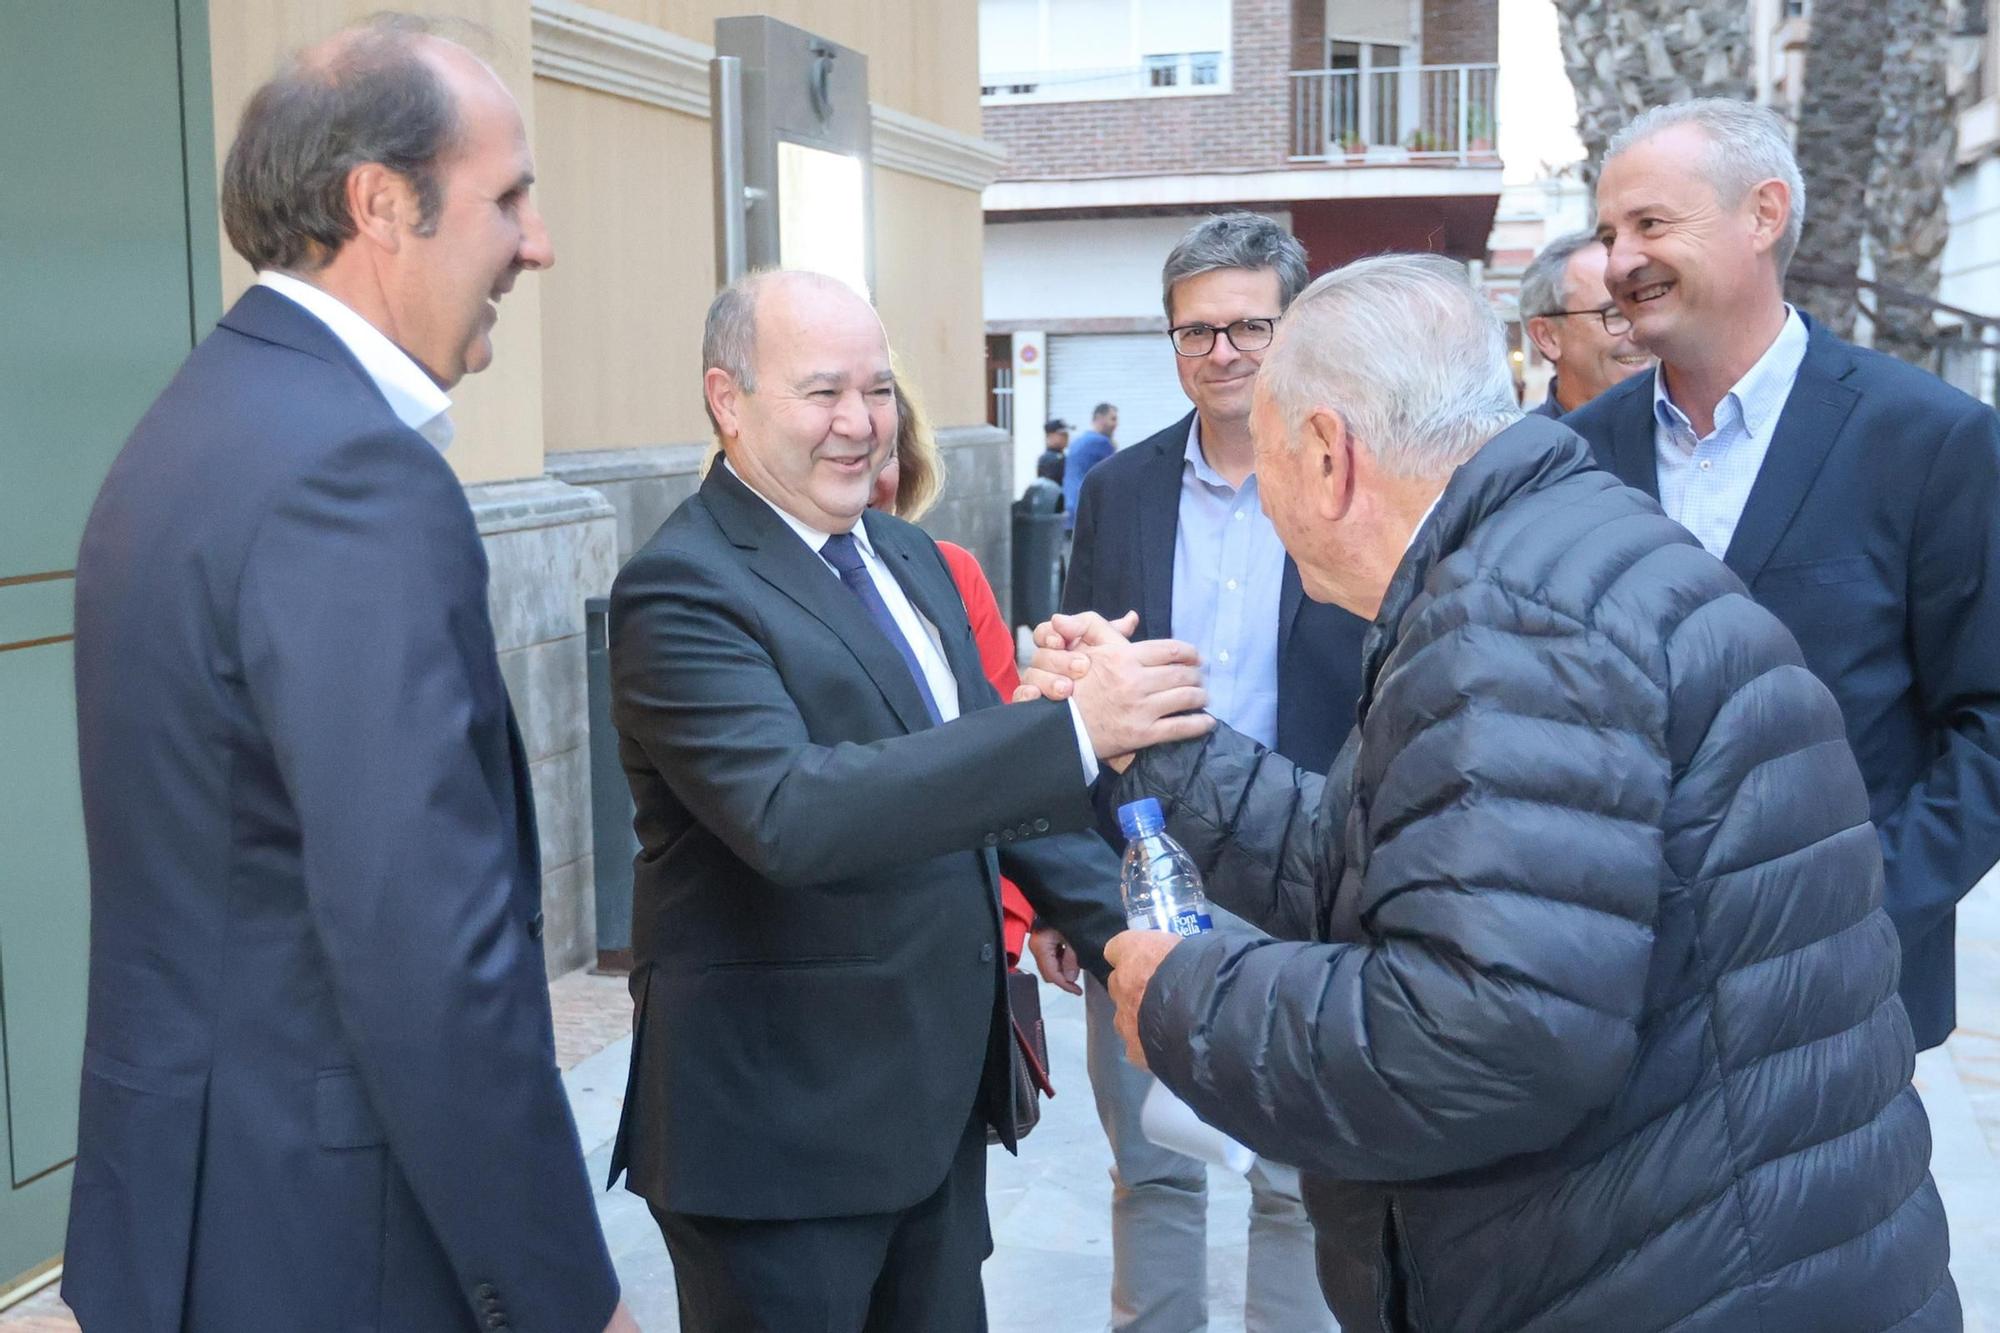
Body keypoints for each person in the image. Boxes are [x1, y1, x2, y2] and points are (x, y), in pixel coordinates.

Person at [1029, 253, 1957, 1330]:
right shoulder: (1540, 557)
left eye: (1272, 462)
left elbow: (1485, 1040)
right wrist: (1154, 742)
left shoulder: (1510, 625)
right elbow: (1383, 856)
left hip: (1682, 1271)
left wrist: (1189, 995)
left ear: (1327, 454)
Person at [66, 17, 635, 1332]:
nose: (534, 242)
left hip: (189, 1219)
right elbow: (427, 944)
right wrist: (562, 1292)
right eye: (507, 197)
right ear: (382, 204)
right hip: (334, 1247)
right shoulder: (352, 474)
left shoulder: (194, 424)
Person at [603, 269, 1212, 1331]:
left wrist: (1142, 945)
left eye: (877, 390)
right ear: (726, 399)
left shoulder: (908, 559)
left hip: (930, 1123)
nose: (860, 424)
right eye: (822, 392)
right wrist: (1071, 727)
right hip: (777, 1151)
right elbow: (791, 812)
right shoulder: (680, 588)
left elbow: (990, 795)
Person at [1566, 98, 2000, 1053]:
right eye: (1607, 234)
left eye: (1649, 223)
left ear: (1762, 215)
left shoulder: (1928, 440)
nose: (1620, 260)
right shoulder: (1568, 457)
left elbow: (1990, 721)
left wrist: (1863, 909)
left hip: (1844, 1009)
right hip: (1610, 1002)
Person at [1051, 211, 1357, 1332]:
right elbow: (1085, 685)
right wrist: (1064, 876)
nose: (1219, 353)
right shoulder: (1119, 490)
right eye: (1194, 332)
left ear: (1294, 327)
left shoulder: (1347, 476)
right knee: (1153, 1165)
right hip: (1146, 875)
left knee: (1297, 1180)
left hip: (1312, 875)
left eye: (1246, 327)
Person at [871, 372, 1041, 967]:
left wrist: (1014, 920)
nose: (863, 470)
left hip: (970, 940)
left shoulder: (949, 572)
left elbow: (1010, 755)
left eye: (882, 451)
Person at [1519, 228, 1653, 416]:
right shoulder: (1528, 445)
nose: (1640, 331)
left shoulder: (1694, 434)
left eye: (1643, 306)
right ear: (1547, 337)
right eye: (1615, 314)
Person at [1062, 401, 1119, 527]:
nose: (1116, 424)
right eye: (1112, 419)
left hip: (1070, 507)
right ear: (1099, 418)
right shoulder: (1102, 443)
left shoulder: (1078, 441)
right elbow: (1115, 477)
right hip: (1089, 510)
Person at [1039, 416, 1071, 488]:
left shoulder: (1061, 456)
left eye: (1066, 434)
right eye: (1062, 434)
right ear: (1050, 436)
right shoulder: (1050, 459)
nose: (1066, 437)